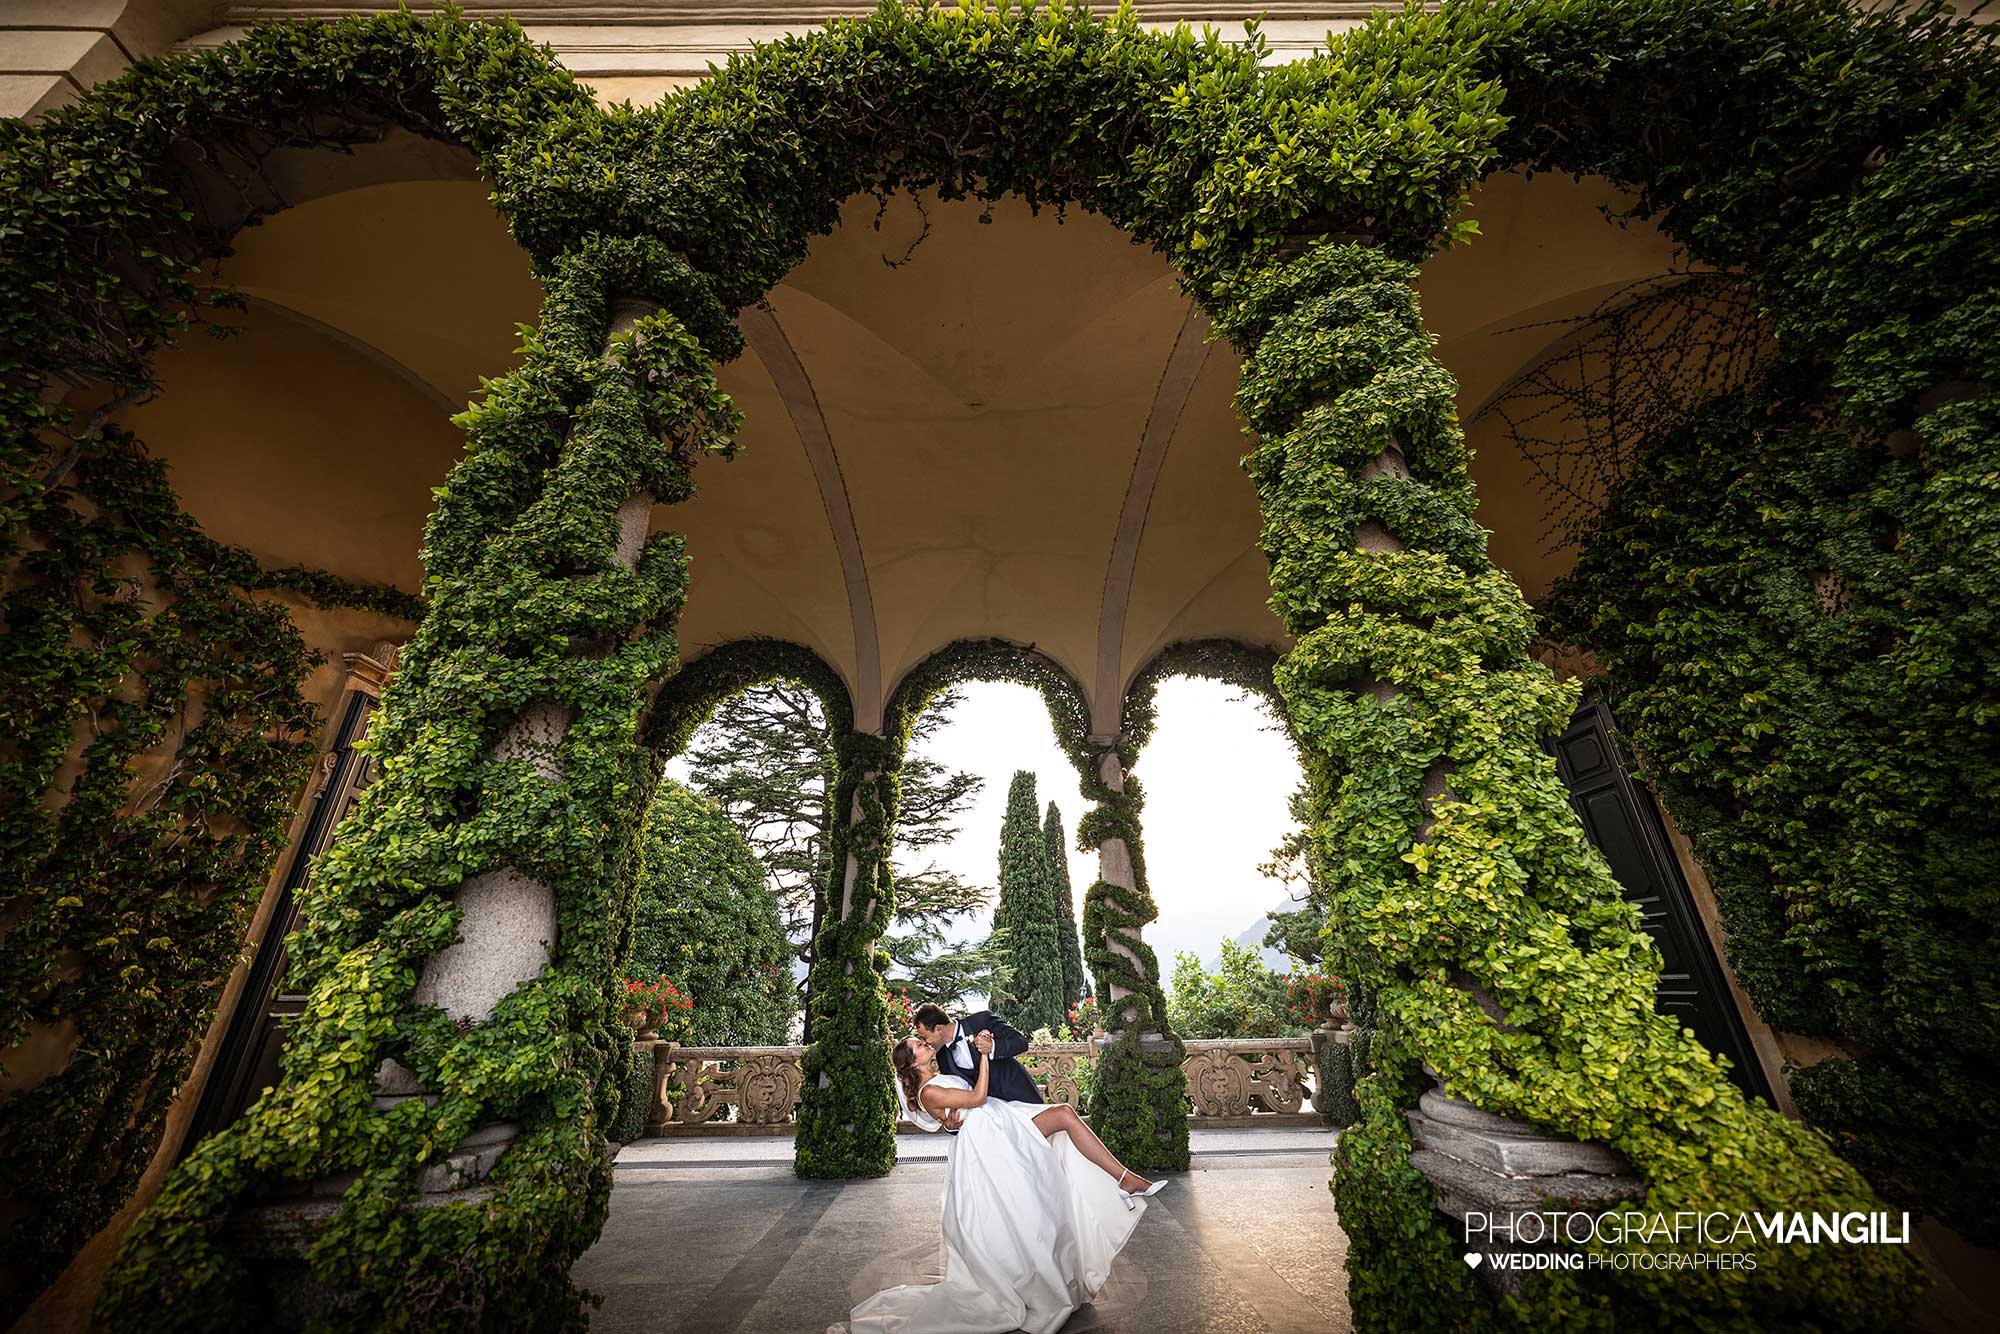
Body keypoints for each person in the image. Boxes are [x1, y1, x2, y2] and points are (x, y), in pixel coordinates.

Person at [837, 1028, 1166, 1334]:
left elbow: (956, 1117)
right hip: (989, 1138)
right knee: (1023, 1205)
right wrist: (984, 1054)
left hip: (999, 1120)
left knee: (1063, 1119)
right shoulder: (931, 1090)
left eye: (922, 1041)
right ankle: (1117, 1186)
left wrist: (953, 1119)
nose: (925, 1044)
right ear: (912, 1063)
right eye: (918, 1046)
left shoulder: (936, 1080)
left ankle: (1123, 1178)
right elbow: (977, 1098)